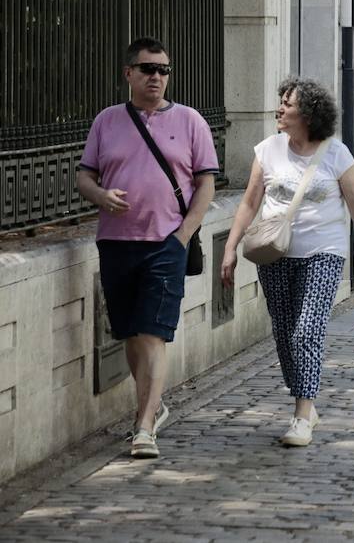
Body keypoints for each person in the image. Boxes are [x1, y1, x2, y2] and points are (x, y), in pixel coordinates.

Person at [220, 77, 354, 447]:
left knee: (306, 330)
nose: (280, 108)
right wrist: (231, 247)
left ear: (308, 114)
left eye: (288, 103)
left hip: (324, 253)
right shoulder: (267, 150)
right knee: (283, 334)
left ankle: (302, 412)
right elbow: (249, 203)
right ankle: (305, 399)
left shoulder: (336, 154)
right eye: (280, 101)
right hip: (274, 253)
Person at [76, 37, 218, 459]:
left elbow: (206, 183)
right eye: (147, 69)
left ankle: (143, 427)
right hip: (116, 241)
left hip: (166, 241)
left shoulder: (191, 121)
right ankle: (153, 408)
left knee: (154, 332)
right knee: (132, 334)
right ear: (129, 74)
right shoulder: (107, 121)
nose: (156, 76)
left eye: (163, 70)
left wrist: (184, 234)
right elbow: (84, 176)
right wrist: (100, 197)